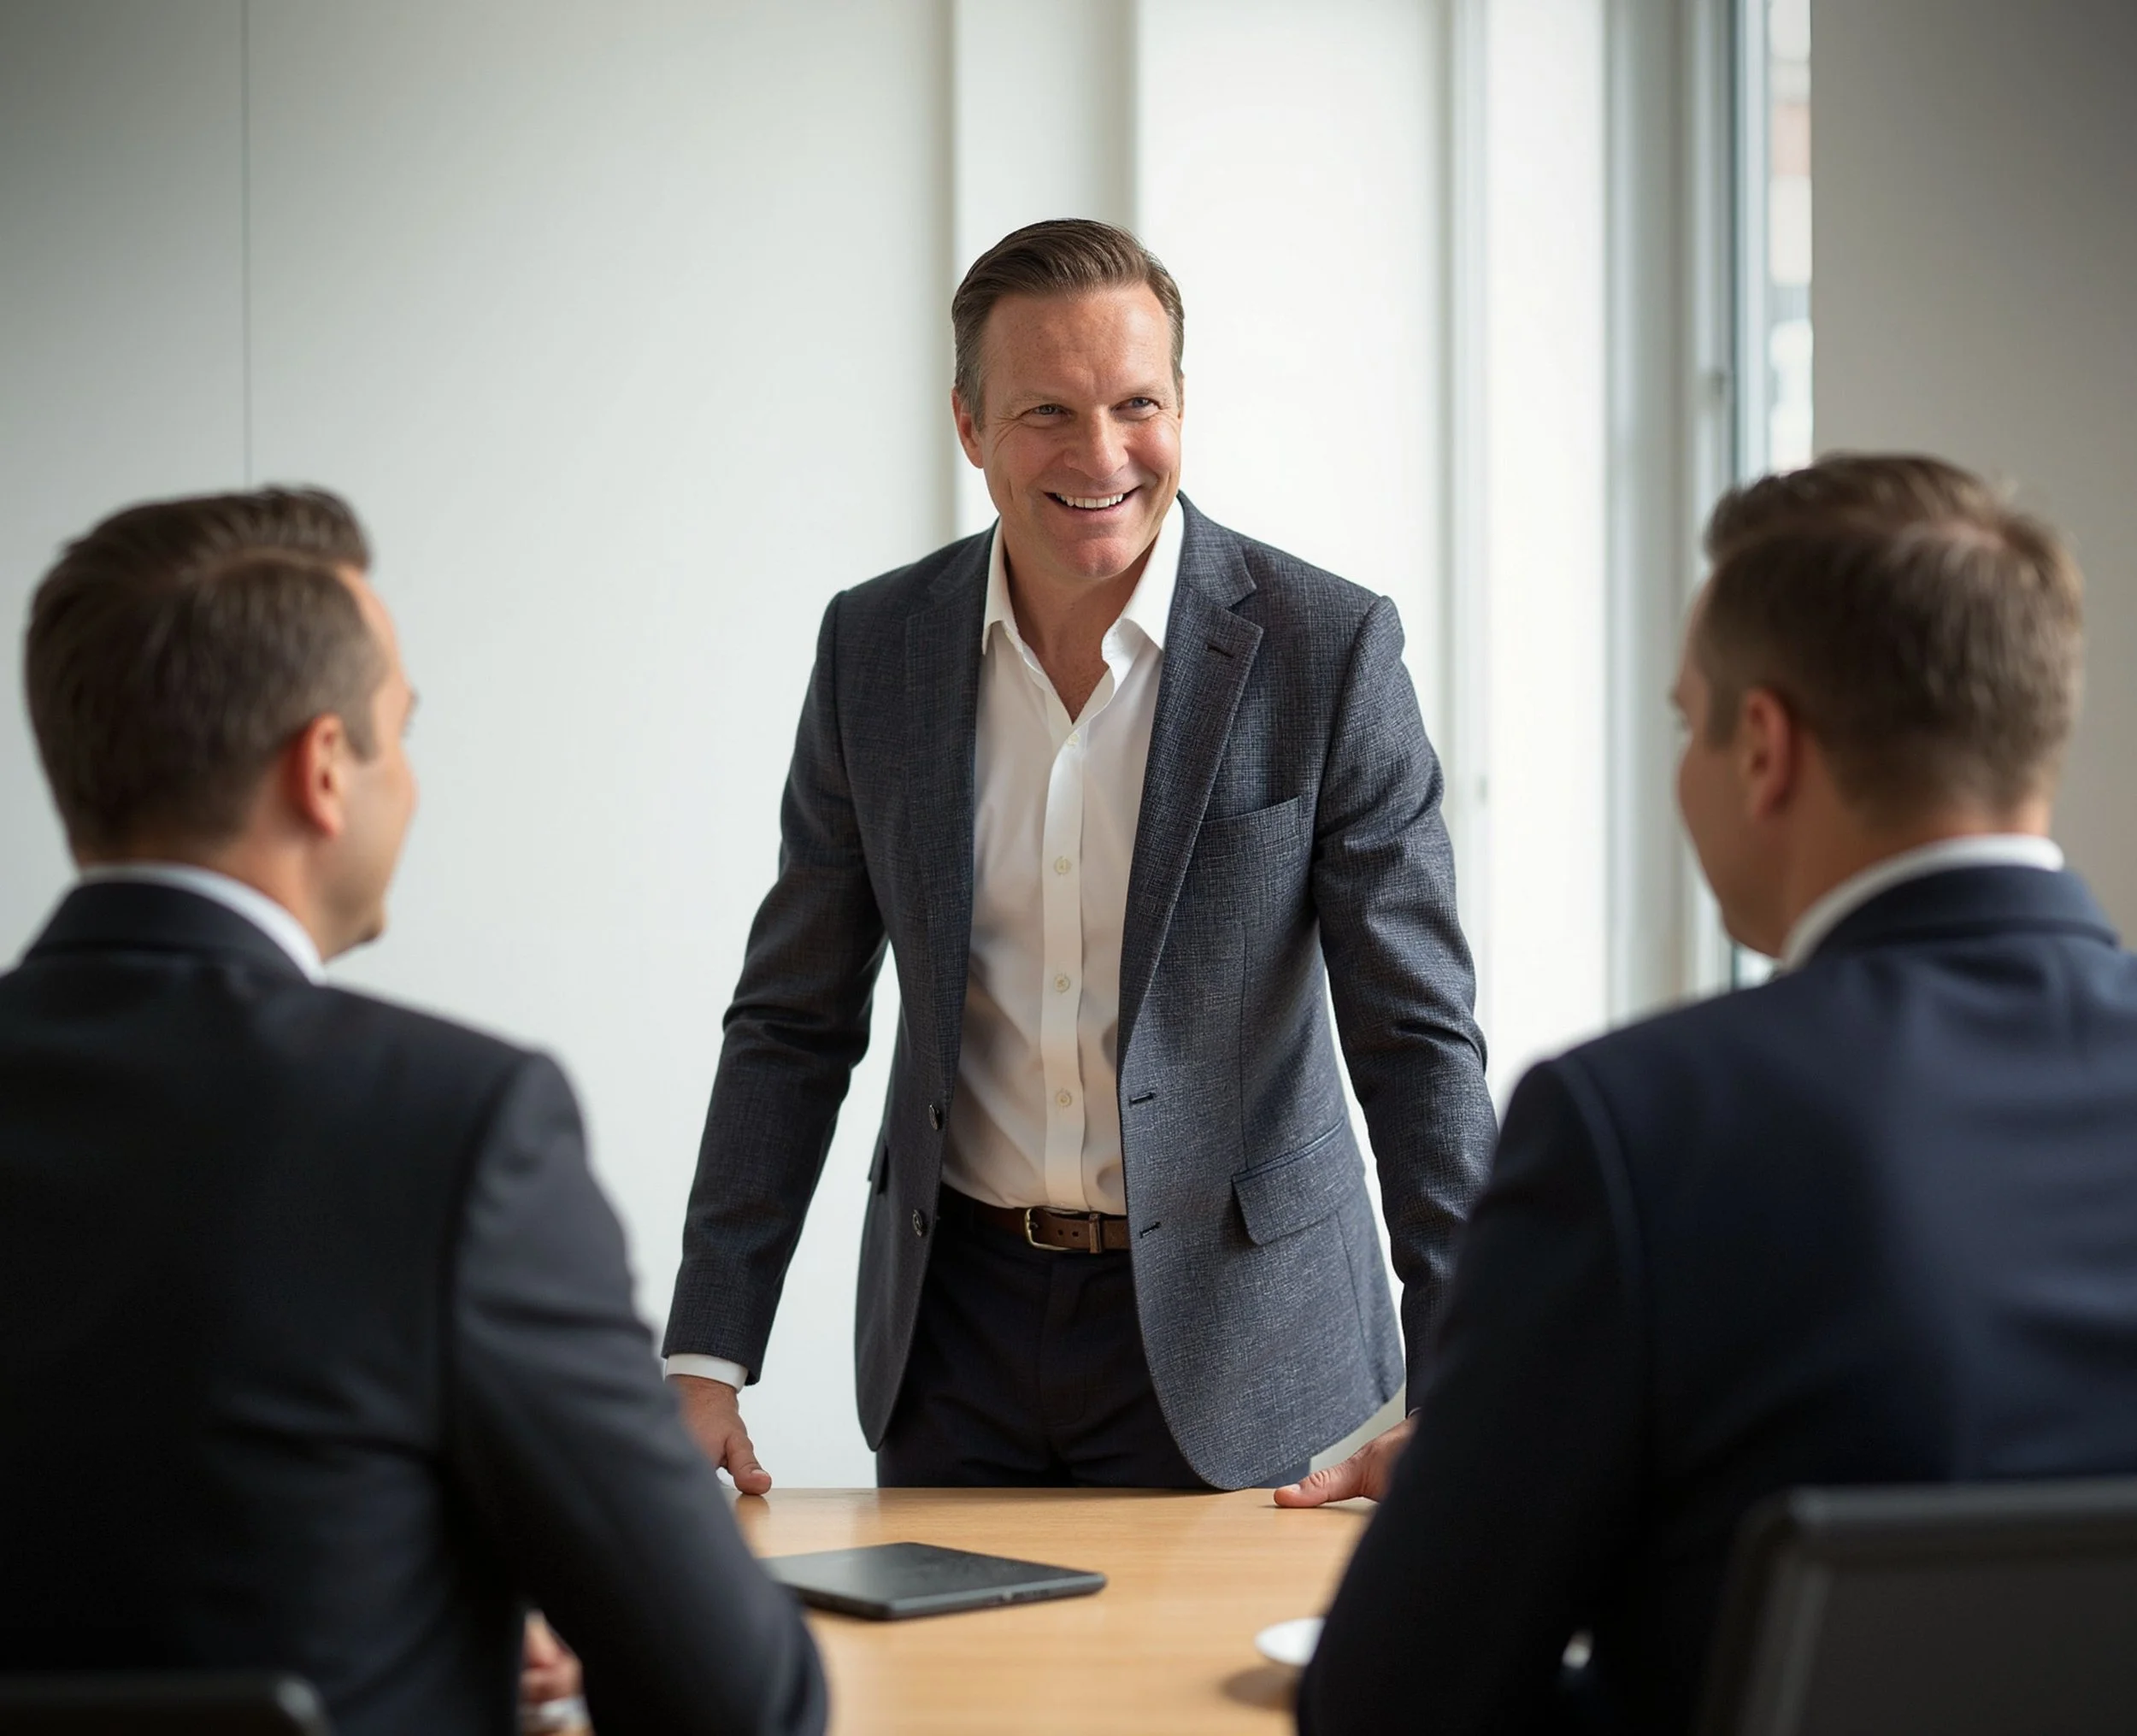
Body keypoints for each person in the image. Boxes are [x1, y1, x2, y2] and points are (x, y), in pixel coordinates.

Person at [1291, 454, 2137, 1733]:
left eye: (1688, 722)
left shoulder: (1639, 1127)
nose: (1684, 764)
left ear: (1764, 747)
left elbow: (1389, 1707)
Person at [663, 219, 1496, 1492]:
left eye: (1136, 404)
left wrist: (1470, 1375)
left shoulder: (1329, 651)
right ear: (969, 425)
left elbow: (1418, 1036)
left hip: (1246, 1337)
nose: (1100, 453)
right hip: (955, 1330)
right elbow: (791, 1016)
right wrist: (708, 1351)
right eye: (1047, 410)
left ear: (1181, 405)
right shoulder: (872, 649)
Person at [0, 490, 825, 1736]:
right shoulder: (458, 1128)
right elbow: (744, 1700)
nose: (412, 783)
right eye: (400, 734)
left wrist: (401, 1621)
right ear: (323, 770)